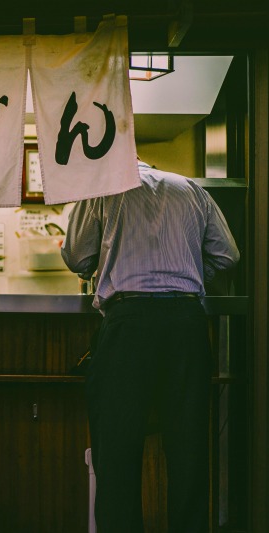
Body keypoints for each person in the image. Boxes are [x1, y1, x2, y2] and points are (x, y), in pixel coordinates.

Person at [61, 159, 240, 532]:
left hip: (129, 322)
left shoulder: (102, 188)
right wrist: (188, 270)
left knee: (117, 449)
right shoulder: (192, 189)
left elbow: (78, 256)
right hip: (187, 321)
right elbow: (228, 255)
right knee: (188, 447)